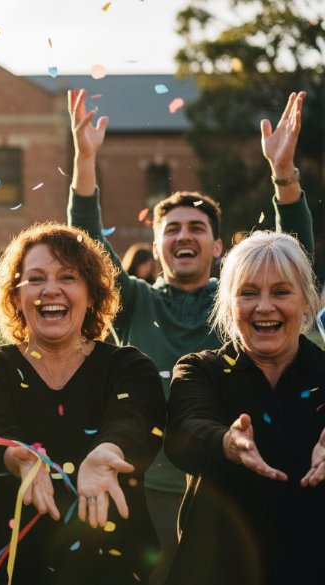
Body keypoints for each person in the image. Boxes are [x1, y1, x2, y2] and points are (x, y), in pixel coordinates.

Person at [66, 88, 314, 583]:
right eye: (172, 228)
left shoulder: (241, 303)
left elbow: (294, 265)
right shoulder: (135, 300)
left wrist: (284, 176)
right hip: (149, 486)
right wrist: (85, 164)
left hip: (230, 486)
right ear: (156, 246)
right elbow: (90, 249)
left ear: (218, 245)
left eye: (197, 227)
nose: (184, 235)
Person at [0, 223, 165, 584]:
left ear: (92, 294)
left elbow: (135, 421)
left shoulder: (129, 367)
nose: (50, 289)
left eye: (68, 277)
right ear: (16, 295)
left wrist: (108, 449)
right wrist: (16, 454)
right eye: (35, 278)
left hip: (108, 571)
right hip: (4, 571)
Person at [165, 231, 324, 584]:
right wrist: (226, 442)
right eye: (248, 293)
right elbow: (184, 431)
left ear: (307, 302)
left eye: (281, 292)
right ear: (228, 303)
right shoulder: (200, 370)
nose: (264, 307)